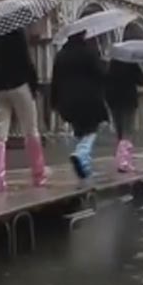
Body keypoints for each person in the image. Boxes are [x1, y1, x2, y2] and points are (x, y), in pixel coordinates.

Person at [0, 28, 48, 191]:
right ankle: (39, 175)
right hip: (18, 84)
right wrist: (33, 84)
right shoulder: (15, 31)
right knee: (30, 130)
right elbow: (25, 60)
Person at [50, 31, 108, 179]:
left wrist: (54, 102)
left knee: (80, 131)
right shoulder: (89, 52)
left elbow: (54, 79)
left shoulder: (60, 55)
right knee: (91, 131)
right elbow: (101, 75)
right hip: (88, 100)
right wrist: (102, 62)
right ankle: (81, 153)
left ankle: (85, 169)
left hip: (67, 101)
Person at [104, 60, 143, 173]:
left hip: (114, 101)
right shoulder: (131, 64)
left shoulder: (111, 65)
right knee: (127, 132)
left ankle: (120, 159)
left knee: (119, 132)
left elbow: (105, 81)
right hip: (128, 101)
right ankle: (124, 162)